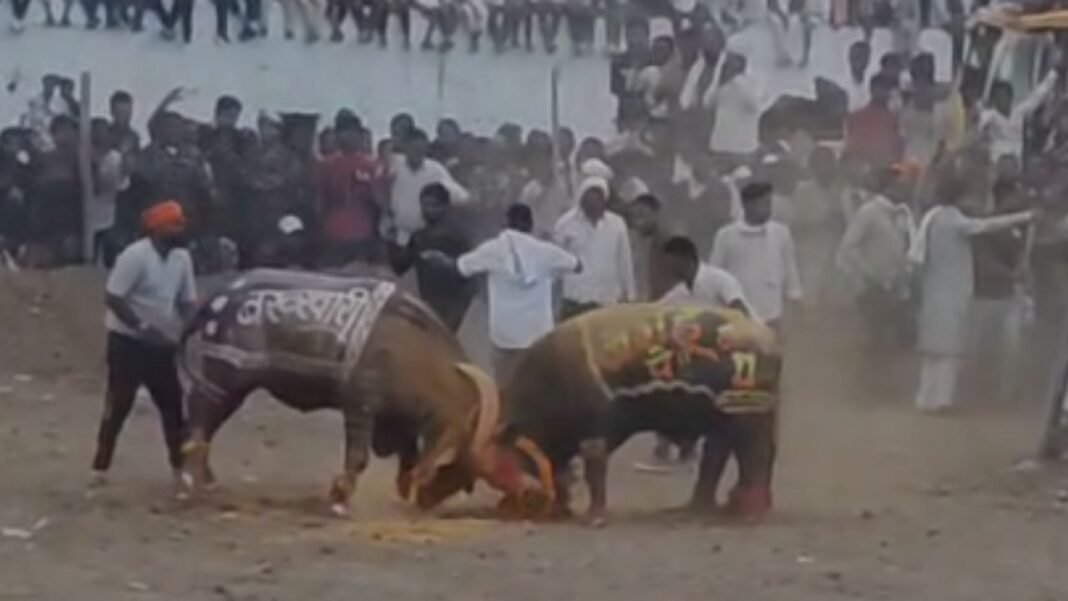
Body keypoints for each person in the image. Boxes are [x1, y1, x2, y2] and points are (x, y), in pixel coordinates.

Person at [90, 200, 197, 494]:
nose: (181, 229)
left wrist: (191, 328)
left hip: (161, 344)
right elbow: (114, 297)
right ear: (157, 229)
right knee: (119, 404)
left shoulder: (182, 259)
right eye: (174, 224)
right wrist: (142, 327)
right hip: (127, 342)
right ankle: (100, 466)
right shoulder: (135, 255)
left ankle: (179, 469)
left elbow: (186, 302)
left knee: (173, 406)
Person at [909, 176, 1033, 413]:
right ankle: (941, 400)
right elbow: (987, 226)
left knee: (933, 351)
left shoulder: (934, 217)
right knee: (948, 350)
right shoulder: (951, 220)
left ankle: (925, 398)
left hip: (936, 289)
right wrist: (1025, 216)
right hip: (950, 292)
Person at [634, 234, 754, 472]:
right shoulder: (681, 292)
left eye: (670, 263)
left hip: (743, 349)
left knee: (692, 390)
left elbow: (740, 313)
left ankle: (687, 448)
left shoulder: (719, 279)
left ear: (685, 260)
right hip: (712, 356)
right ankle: (674, 445)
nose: (667, 269)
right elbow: (652, 313)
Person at [434, 203, 579, 381]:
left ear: (506, 223)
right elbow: (577, 265)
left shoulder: (493, 249)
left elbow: (460, 268)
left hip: (505, 334)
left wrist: (437, 259)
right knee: (537, 382)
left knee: (504, 383)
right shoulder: (545, 251)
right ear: (530, 225)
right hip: (538, 333)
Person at [836, 165, 914, 348]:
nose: (906, 188)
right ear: (888, 186)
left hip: (898, 289)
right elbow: (848, 247)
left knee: (900, 345)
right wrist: (869, 274)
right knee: (874, 343)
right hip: (872, 289)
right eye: (900, 184)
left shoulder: (903, 213)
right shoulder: (869, 212)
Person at [967, 177, 1030, 404]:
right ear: (1005, 196)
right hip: (983, 296)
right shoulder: (986, 226)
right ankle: (973, 390)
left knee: (1010, 350)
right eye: (1016, 195)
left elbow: (1023, 256)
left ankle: (1004, 394)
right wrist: (1012, 274)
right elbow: (983, 262)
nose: (1020, 199)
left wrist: (1023, 265)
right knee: (977, 348)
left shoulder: (1021, 226)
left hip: (1009, 297)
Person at [710, 181, 802, 331]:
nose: (768, 209)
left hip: (772, 311)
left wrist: (794, 297)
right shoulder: (726, 235)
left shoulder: (781, 233)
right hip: (738, 312)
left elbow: (790, 268)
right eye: (763, 204)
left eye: (769, 204)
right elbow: (715, 273)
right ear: (747, 205)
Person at [387, 183, 475, 331]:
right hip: (436, 301)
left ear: (445, 206)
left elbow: (399, 267)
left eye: (434, 205)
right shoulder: (421, 236)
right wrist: (392, 242)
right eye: (425, 204)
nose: (428, 210)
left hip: (452, 300)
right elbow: (400, 266)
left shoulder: (453, 236)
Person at [554, 176, 635, 320]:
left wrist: (630, 295)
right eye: (590, 196)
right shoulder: (565, 224)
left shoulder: (617, 224)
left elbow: (624, 261)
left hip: (607, 301)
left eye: (599, 197)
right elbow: (556, 263)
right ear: (582, 198)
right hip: (575, 300)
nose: (594, 201)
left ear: (605, 200)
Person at [315, 112, 381, 266]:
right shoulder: (326, 165)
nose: (348, 137)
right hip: (333, 232)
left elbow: (378, 202)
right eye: (343, 132)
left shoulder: (371, 165)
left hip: (363, 232)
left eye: (352, 132)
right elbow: (320, 200)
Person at [387, 129, 470, 244]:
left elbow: (461, 196)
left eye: (422, 149)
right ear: (405, 147)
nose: (418, 152)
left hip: (426, 237)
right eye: (414, 148)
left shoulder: (435, 169)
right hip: (398, 235)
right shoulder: (393, 165)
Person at [980, 69, 1060, 163]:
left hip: (1016, 163)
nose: (1001, 100)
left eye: (1004, 96)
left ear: (1010, 97)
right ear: (994, 99)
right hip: (996, 162)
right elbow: (978, 125)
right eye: (998, 97)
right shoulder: (990, 114)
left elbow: (1037, 96)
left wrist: (1053, 73)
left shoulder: (1019, 111)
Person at [704, 52, 765, 164]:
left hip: (735, 149)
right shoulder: (724, 86)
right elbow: (708, 103)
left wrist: (735, 81)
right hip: (728, 149)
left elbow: (755, 106)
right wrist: (718, 80)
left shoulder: (749, 84)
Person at [87, 118, 126, 267]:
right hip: (87, 217)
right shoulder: (83, 155)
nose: (99, 135)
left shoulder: (115, 158)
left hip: (110, 215)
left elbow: (117, 185)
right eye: (96, 132)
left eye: (103, 131)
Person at [845, 72, 903, 170]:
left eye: (887, 88)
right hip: (860, 169)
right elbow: (851, 148)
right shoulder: (856, 117)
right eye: (881, 88)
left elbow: (898, 150)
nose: (884, 92)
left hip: (886, 171)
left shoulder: (894, 119)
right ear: (871, 89)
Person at [846, 40, 872, 112]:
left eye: (863, 57)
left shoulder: (872, 85)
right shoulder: (842, 85)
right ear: (849, 58)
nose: (860, 60)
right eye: (856, 56)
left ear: (868, 60)